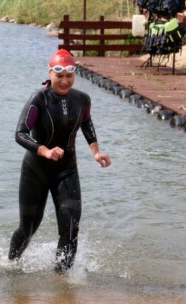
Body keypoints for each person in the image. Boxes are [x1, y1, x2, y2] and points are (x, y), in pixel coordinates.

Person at [8, 49, 111, 273]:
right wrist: (44, 150)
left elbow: (86, 124)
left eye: (69, 76)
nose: (64, 81)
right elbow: (20, 133)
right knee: (28, 228)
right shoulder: (39, 99)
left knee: (71, 228)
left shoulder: (82, 100)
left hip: (66, 170)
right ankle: (11, 266)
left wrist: (96, 152)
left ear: (74, 75)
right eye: (59, 76)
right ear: (50, 73)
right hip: (36, 170)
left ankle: (62, 283)